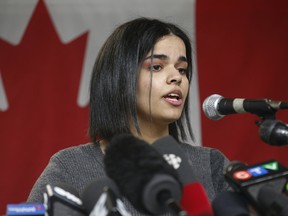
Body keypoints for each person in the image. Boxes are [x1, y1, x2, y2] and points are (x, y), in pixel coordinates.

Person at [27, 17, 231, 215]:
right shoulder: (70, 167)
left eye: (182, 69)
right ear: (120, 78)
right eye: (156, 67)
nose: (177, 77)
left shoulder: (211, 163)